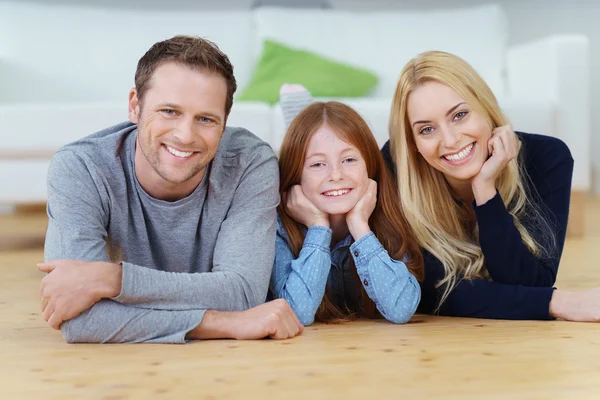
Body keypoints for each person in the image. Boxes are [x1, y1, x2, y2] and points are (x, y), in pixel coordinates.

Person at [37, 35, 303, 343]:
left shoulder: (250, 163)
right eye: (169, 111)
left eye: (205, 119)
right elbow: (81, 320)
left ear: (225, 122)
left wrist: (112, 279)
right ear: (135, 106)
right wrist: (225, 324)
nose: (185, 135)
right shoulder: (81, 167)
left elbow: (242, 293)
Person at [384, 50, 600, 321]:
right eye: (427, 129)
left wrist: (485, 190)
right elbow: (426, 291)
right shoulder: (396, 168)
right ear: (412, 143)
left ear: (486, 107)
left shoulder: (547, 159)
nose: (450, 140)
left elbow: (531, 282)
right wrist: (559, 302)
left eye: (460, 115)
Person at [270, 85, 423, 326]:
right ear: (296, 176)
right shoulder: (277, 228)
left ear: (369, 166)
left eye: (349, 160)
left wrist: (360, 227)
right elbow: (297, 313)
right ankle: (300, 127)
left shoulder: (388, 213)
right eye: (317, 164)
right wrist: (318, 227)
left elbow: (401, 309)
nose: (336, 175)